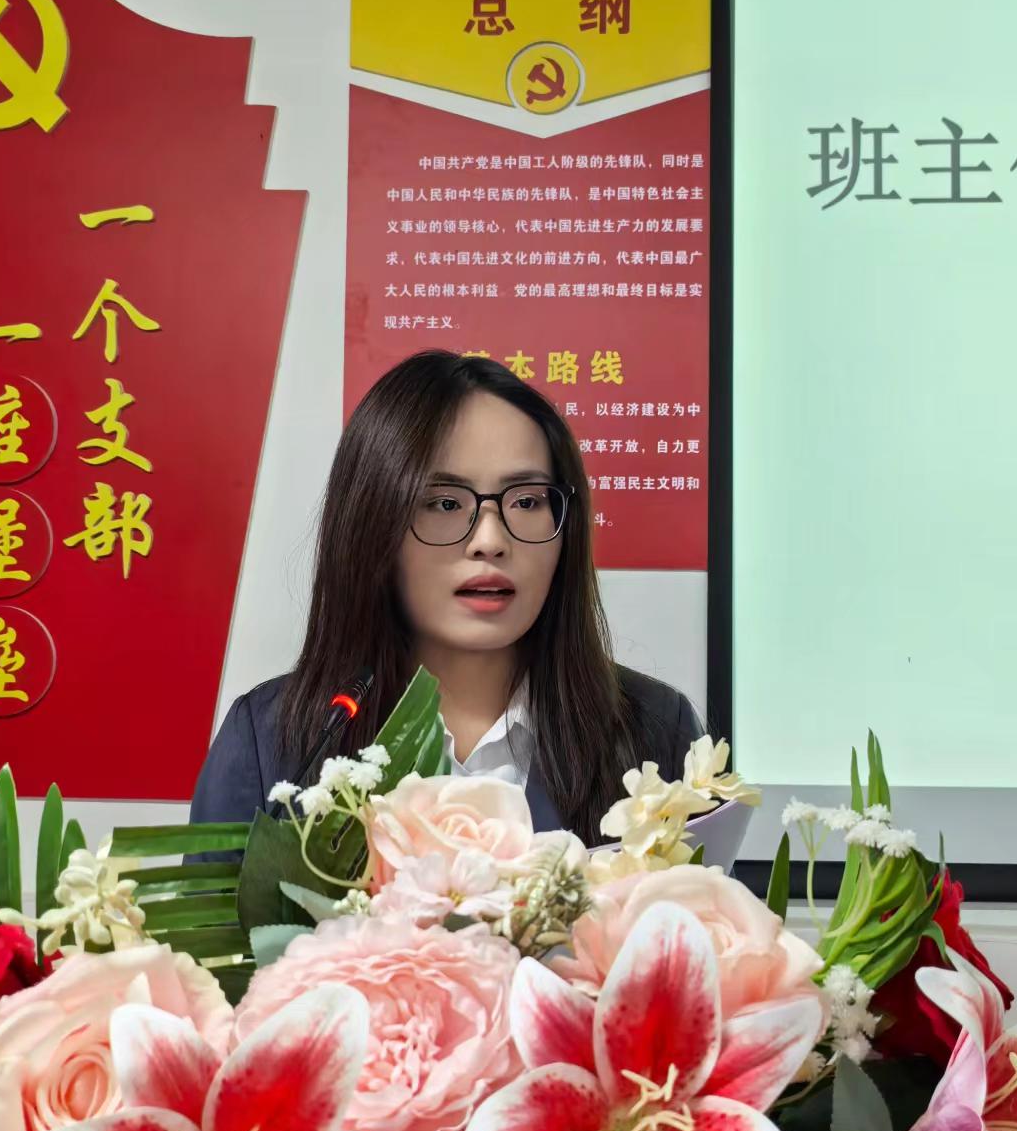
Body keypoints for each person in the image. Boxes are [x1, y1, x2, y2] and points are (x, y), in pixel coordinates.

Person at [188, 350, 703, 844]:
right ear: (373, 525)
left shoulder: (653, 731)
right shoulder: (271, 743)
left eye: (526, 501)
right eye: (444, 503)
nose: (490, 541)